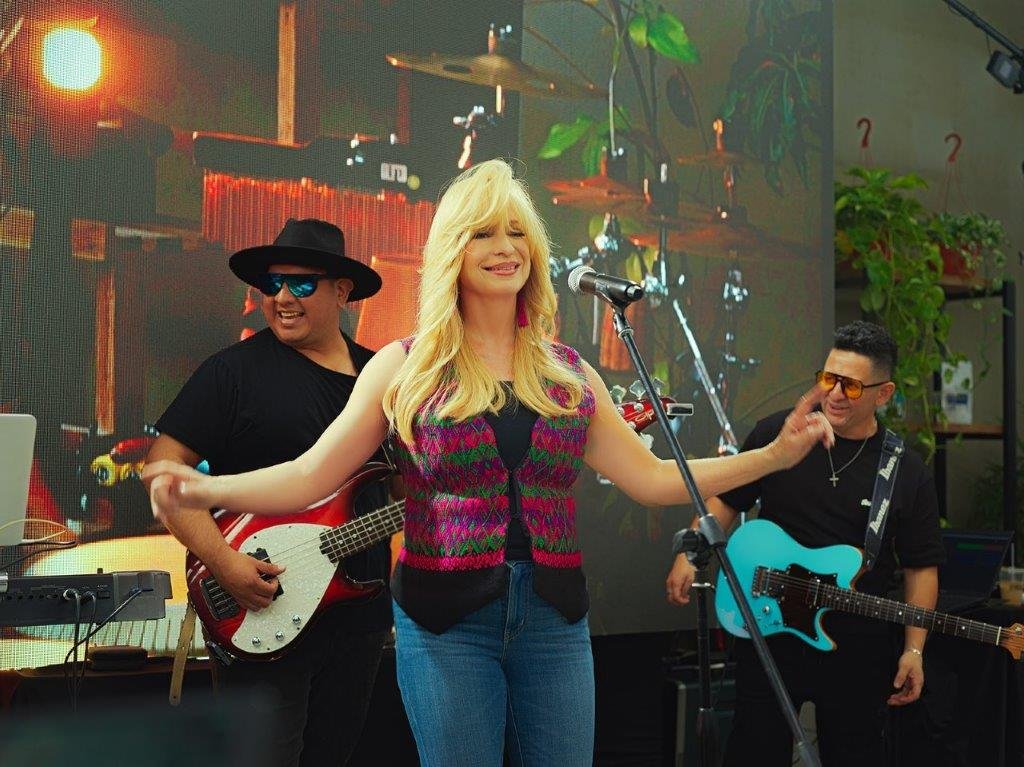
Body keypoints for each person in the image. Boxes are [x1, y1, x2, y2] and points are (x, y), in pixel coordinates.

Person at [145, 159, 835, 767]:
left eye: (516, 233)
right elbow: (309, 475)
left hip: (554, 620)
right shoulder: (404, 366)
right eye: (482, 233)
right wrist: (203, 489)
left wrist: (773, 455)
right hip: (446, 625)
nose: (505, 248)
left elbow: (654, 479)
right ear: (453, 249)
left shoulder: (568, 373)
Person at [143, 218, 392, 767]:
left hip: (358, 616)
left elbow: (405, 482)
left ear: (342, 291)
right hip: (258, 607)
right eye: (273, 283)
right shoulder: (232, 372)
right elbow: (163, 471)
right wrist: (222, 561)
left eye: (301, 283)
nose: (282, 297)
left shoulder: (382, 378)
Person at [665, 320, 944, 767]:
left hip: (856, 643)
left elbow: (921, 566)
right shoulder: (780, 435)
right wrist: (690, 550)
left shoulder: (905, 471)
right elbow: (728, 500)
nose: (835, 394)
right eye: (829, 379)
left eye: (852, 386)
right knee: (754, 749)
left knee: (854, 754)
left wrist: (914, 650)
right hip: (771, 629)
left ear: (884, 394)